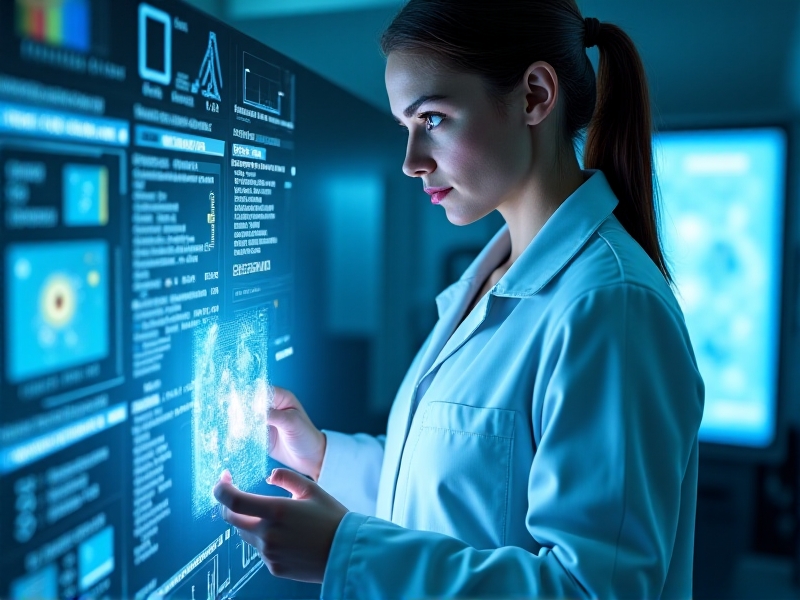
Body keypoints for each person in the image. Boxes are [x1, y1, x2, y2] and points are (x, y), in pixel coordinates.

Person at [213, 0, 705, 597]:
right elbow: (461, 495)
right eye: (406, 127)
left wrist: (345, 552)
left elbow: (593, 590)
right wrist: (319, 457)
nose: (412, 162)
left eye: (434, 119)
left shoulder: (609, 305)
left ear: (534, 96)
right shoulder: (495, 278)